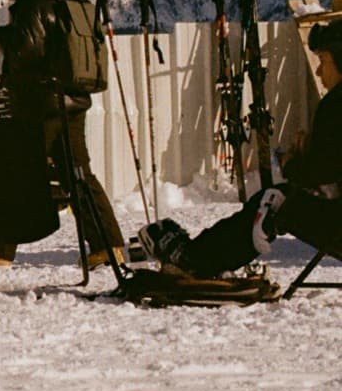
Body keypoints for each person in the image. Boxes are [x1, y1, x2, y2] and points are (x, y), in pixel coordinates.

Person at [0, 0, 125, 267]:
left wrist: (3, 35)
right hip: (74, 100)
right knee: (78, 174)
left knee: (15, 170)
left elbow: (25, 51)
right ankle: (109, 244)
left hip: (43, 103)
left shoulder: (34, 1)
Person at [141, 21, 342, 277]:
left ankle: (193, 259)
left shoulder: (336, 105)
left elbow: (319, 172)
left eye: (323, 59)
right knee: (278, 198)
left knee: (272, 202)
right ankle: (202, 256)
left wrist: (293, 161)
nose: (318, 70)